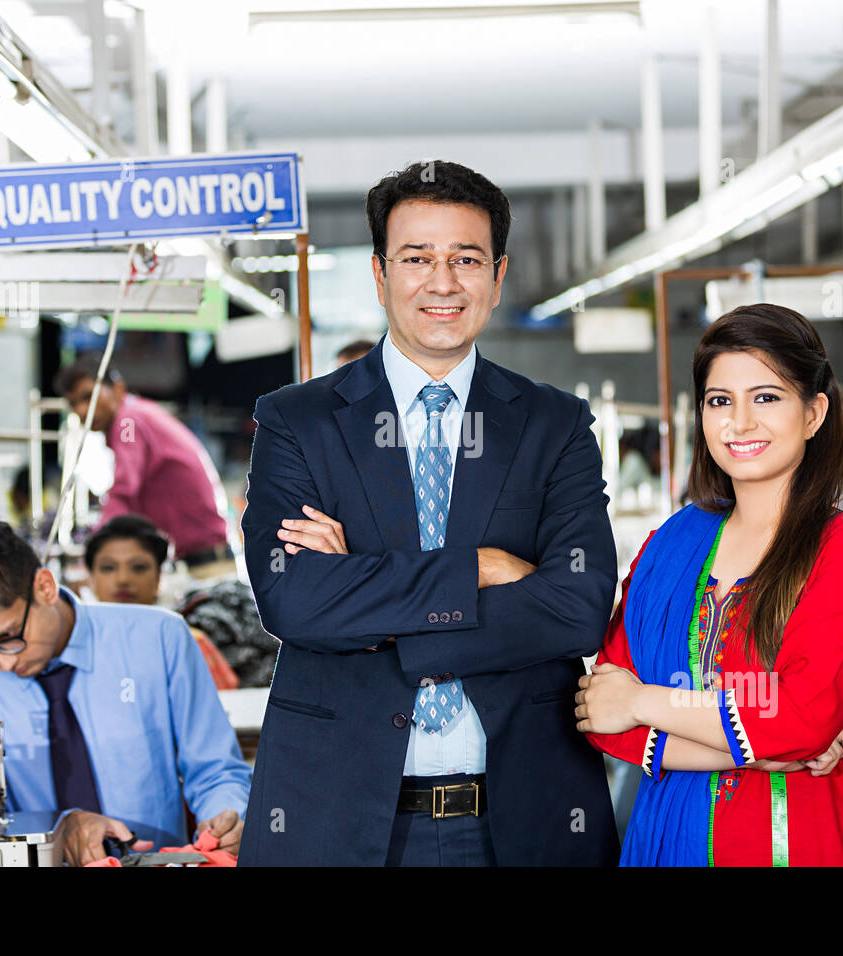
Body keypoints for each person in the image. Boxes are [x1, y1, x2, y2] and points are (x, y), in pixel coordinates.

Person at [238, 160, 620, 866]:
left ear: (497, 276)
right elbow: (293, 602)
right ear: (381, 276)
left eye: (465, 259)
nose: (442, 282)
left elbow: (578, 607)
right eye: (417, 258)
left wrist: (367, 593)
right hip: (339, 817)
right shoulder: (298, 421)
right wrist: (483, 569)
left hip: (523, 814)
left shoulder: (554, 424)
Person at [575, 304, 843, 866]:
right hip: (666, 839)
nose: (739, 423)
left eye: (766, 398)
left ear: (815, 413)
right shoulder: (674, 540)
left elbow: (802, 717)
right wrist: (760, 751)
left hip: (796, 841)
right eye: (720, 401)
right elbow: (602, 717)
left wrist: (644, 701)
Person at [0, 520, 251, 866]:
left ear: (45, 587)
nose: (3, 664)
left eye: (7, 638)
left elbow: (215, 769)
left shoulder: (158, 639)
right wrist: (60, 827)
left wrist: (227, 818)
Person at [54, 361, 234, 578]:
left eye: (88, 397)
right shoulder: (138, 415)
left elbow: (123, 491)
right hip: (201, 561)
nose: (82, 410)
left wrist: (92, 559)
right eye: (73, 404)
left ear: (118, 388)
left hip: (207, 567)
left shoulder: (128, 422)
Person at [84, 514, 239, 690]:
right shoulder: (72, 645)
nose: (123, 579)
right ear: (91, 578)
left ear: (159, 577)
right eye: (108, 568)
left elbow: (222, 708)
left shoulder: (188, 643)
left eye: (138, 567)